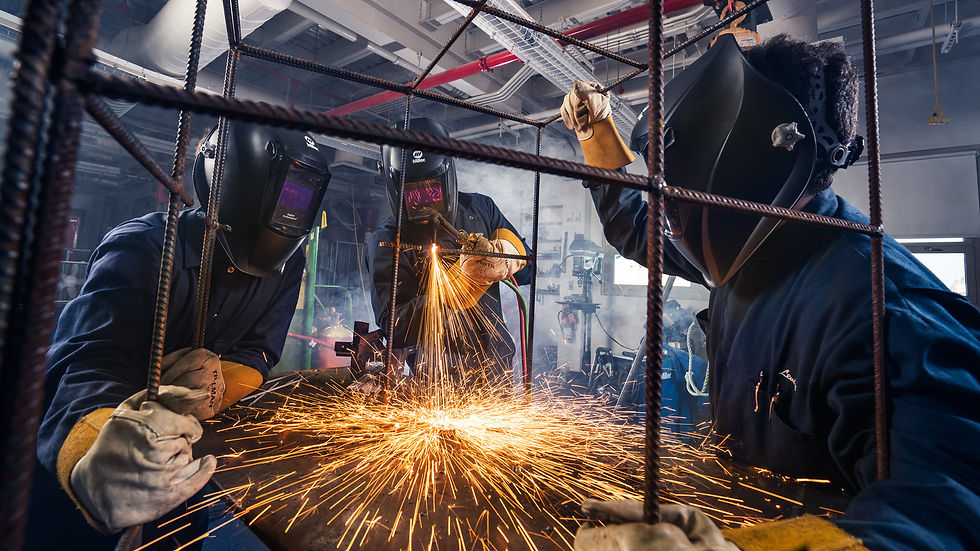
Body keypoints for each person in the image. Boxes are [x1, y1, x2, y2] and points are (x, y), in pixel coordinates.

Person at [560, 34, 980, 550]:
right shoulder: (747, 248)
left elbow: (951, 510)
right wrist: (601, 148)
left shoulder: (881, 309)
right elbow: (637, 231)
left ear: (748, 155)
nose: (674, 209)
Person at [28, 122, 332, 549]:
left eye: (299, 199)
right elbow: (90, 362)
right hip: (97, 466)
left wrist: (218, 383)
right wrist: (94, 456)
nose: (290, 213)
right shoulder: (144, 248)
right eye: (284, 196)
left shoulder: (287, 265)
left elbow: (259, 348)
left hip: (184, 467)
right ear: (226, 184)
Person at [366, 117, 532, 386]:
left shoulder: (481, 209)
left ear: (448, 175)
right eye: (415, 194)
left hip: (498, 372)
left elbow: (529, 269)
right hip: (439, 383)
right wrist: (453, 291)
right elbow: (393, 326)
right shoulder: (387, 240)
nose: (427, 203)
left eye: (433, 190)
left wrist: (505, 255)